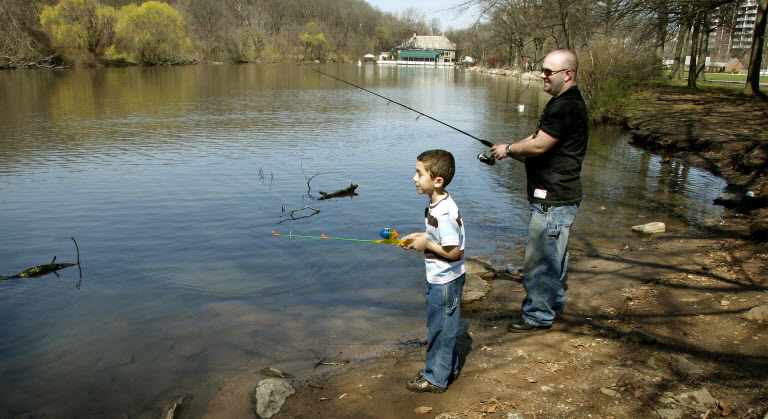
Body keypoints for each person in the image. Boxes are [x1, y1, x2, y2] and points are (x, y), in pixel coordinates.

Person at [490, 49, 589, 333]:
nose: (542, 75)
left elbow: (539, 146)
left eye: (549, 71)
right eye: (542, 70)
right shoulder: (563, 102)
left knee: (541, 260)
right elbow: (537, 138)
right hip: (558, 196)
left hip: (553, 198)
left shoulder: (565, 106)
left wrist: (509, 149)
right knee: (554, 256)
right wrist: (506, 149)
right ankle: (553, 304)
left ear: (567, 74)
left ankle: (537, 316)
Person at [400, 149, 466, 393]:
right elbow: (437, 236)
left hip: (445, 282)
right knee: (444, 327)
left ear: (438, 181)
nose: (414, 178)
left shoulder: (444, 213)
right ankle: (446, 369)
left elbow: (454, 252)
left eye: (419, 174)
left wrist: (426, 244)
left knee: (440, 330)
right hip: (439, 278)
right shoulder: (437, 204)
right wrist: (419, 236)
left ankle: (436, 379)